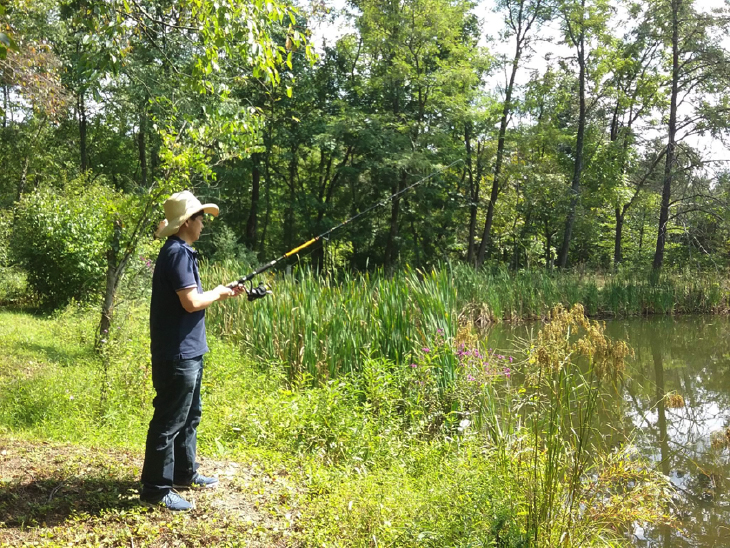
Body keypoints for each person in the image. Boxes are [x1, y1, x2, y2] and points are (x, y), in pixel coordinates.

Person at [140, 190, 244, 511]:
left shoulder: (181, 251)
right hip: (178, 354)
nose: (203, 225)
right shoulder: (177, 254)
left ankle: (185, 473)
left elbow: (192, 299)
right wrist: (216, 293)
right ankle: (156, 490)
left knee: (190, 416)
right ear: (187, 222)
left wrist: (223, 292)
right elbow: (191, 301)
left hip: (189, 351)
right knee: (169, 421)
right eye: (200, 219)